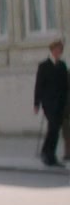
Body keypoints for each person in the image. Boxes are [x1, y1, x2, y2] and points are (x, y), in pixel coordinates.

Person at [34, 39, 67, 167]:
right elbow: (39, 85)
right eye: (57, 50)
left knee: (55, 130)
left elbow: (65, 85)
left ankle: (48, 153)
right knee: (53, 127)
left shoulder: (62, 65)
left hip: (60, 103)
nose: (59, 52)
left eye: (60, 50)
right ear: (52, 50)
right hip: (48, 103)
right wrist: (36, 103)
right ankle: (48, 154)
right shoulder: (44, 66)